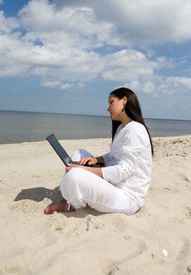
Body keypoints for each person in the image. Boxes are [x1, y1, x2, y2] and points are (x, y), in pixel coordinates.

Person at [44, 87, 153, 215]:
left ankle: (72, 204)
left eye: (111, 102)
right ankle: (68, 198)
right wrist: (97, 160)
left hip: (127, 197)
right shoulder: (122, 128)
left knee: (74, 175)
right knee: (80, 153)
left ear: (124, 100)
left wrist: (86, 170)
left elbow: (124, 171)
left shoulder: (135, 130)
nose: (108, 108)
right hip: (114, 184)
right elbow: (115, 155)